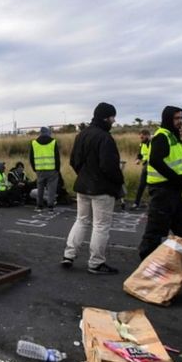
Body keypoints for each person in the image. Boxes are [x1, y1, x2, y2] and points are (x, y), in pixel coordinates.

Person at [62, 102, 124, 275]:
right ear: (105, 118)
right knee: (100, 225)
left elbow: (74, 160)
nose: (113, 120)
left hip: (83, 186)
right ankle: (96, 262)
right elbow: (109, 166)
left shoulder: (82, 135)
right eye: (112, 117)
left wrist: (83, 175)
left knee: (81, 220)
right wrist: (119, 182)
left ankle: (69, 255)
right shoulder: (105, 138)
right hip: (102, 189)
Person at [137, 106, 182, 260]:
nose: (180, 121)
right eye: (177, 118)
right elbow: (155, 161)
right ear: (168, 119)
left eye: (181, 118)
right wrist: (175, 177)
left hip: (174, 189)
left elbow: (181, 157)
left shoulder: (174, 136)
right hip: (162, 189)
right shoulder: (162, 136)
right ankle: (146, 262)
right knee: (156, 229)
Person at [29, 126, 60, 212]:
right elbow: (57, 157)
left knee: (40, 188)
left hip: (39, 169)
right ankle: (50, 206)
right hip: (52, 169)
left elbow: (31, 158)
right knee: (51, 188)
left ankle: (39, 205)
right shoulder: (53, 142)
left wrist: (34, 168)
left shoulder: (34, 143)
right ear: (48, 133)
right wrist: (57, 169)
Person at [130, 129, 151, 209]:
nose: (141, 139)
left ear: (147, 135)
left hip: (153, 167)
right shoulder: (142, 144)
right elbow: (140, 154)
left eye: (142, 137)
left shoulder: (153, 143)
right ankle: (136, 203)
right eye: (140, 137)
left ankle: (151, 204)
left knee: (153, 187)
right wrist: (138, 159)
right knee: (141, 185)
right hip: (145, 166)